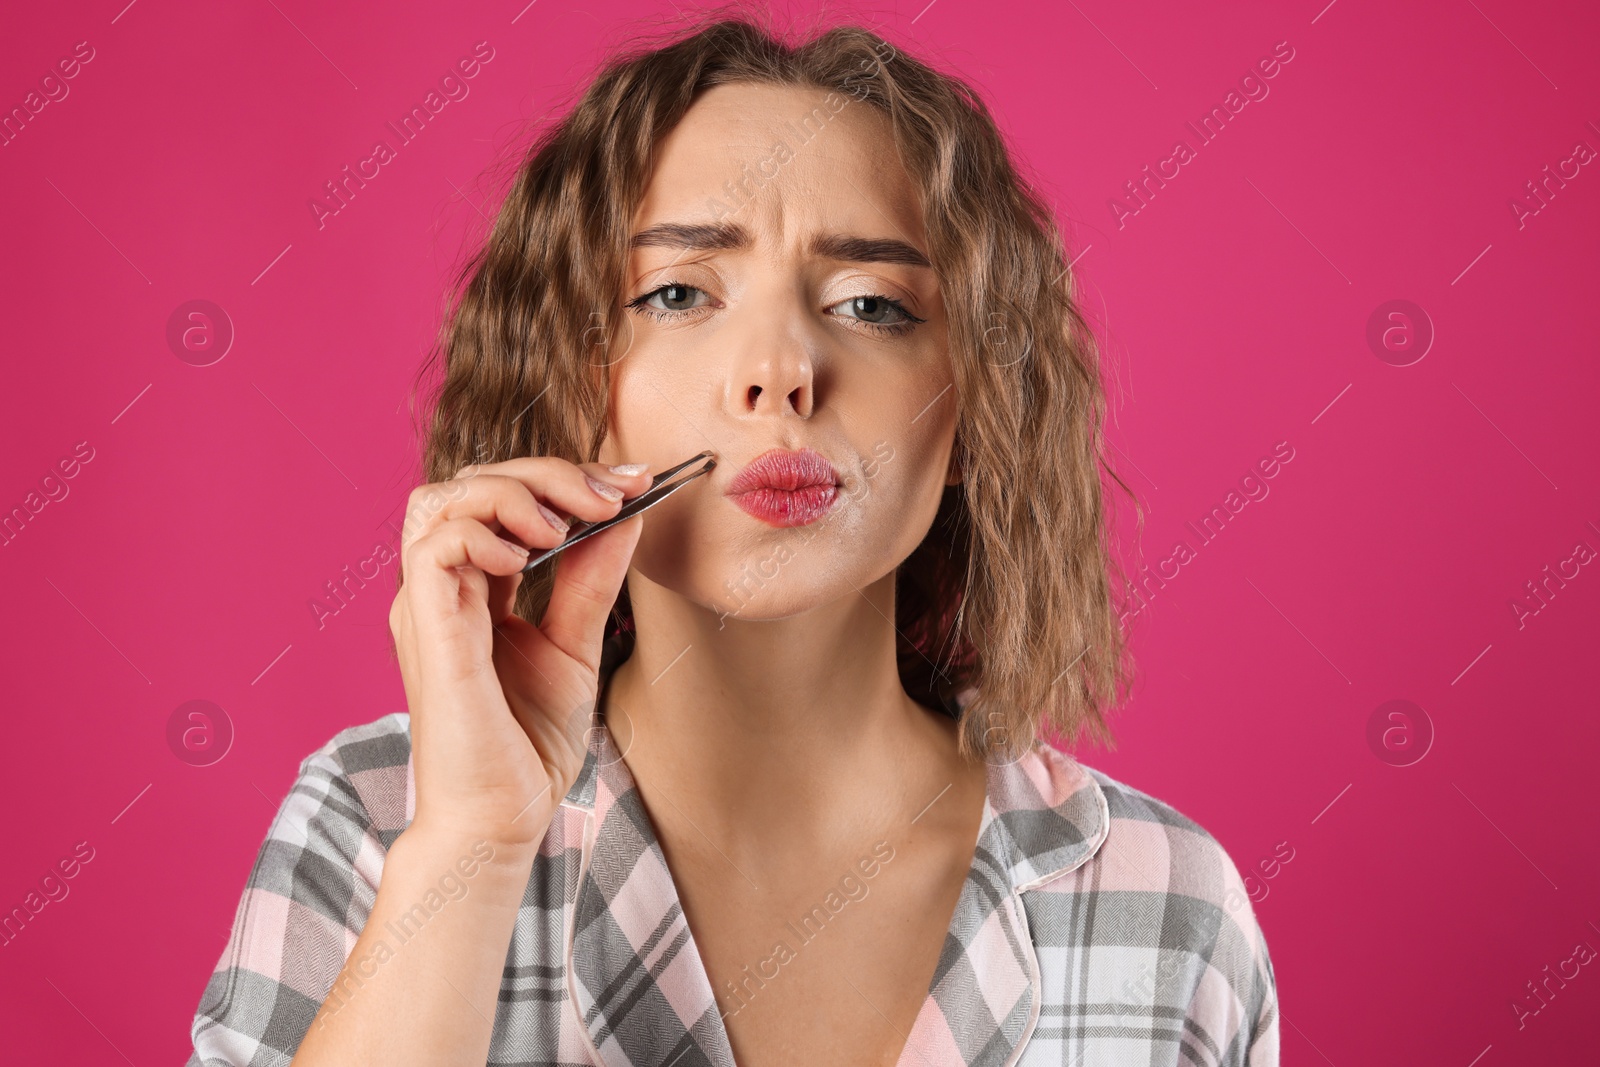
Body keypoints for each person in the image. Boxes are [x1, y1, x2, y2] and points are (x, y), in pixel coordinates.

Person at [186, 10, 1278, 1066]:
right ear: (573, 386)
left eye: (871, 304)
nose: (781, 370)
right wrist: (470, 846)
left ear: (972, 406)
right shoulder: (377, 823)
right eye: (675, 291)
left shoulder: (1164, 906)